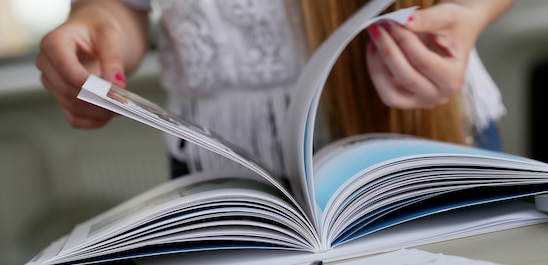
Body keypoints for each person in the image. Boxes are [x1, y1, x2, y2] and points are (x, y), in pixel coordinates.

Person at [36, 0, 514, 179]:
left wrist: (470, 15)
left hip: (423, 117)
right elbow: (122, 6)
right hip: (218, 158)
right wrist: (98, 27)